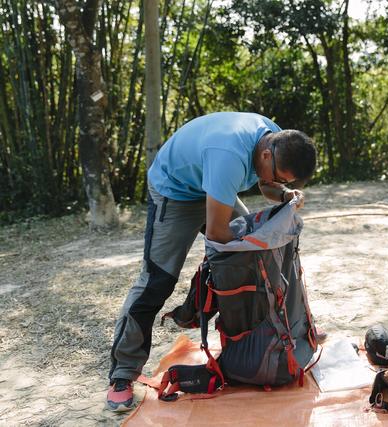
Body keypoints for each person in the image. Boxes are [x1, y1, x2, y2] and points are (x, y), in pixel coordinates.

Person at [106, 112, 317, 411]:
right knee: (157, 282)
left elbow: (266, 186)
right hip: (175, 191)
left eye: (284, 180)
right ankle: (122, 374)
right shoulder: (228, 156)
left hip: (213, 185)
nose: (275, 182)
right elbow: (218, 234)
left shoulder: (275, 138)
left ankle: (270, 338)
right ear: (267, 153)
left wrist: (285, 195)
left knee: (257, 260)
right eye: (279, 176)